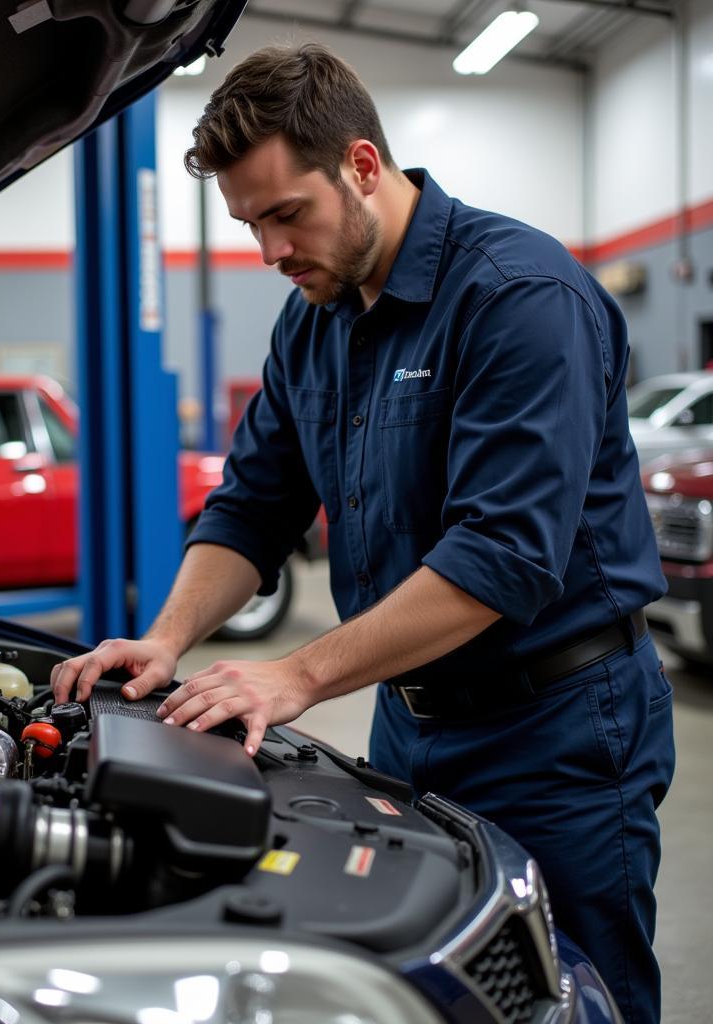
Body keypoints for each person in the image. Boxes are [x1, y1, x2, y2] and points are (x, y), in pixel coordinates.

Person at [52, 43, 674, 1024]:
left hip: (555, 729)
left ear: (362, 166)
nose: (268, 250)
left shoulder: (517, 298)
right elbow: (251, 507)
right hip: (407, 723)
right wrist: (165, 640)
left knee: (573, 993)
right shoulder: (313, 323)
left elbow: (500, 557)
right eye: (248, 224)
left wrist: (291, 675)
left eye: (284, 213)